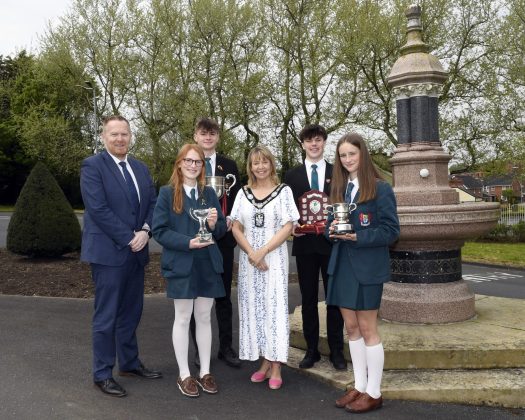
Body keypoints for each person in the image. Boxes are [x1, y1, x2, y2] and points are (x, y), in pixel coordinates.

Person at [80, 115, 162, 398]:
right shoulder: (93, 167)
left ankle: (128, 364)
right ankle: (102, 373)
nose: (119, 139)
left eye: (124, 134)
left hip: (136, 252)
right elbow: (98, 209)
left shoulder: (140, 168)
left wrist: (146, 231)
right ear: (104, 137)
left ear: (130, 136)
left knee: (131, 312)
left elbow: (153, 202)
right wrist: (130, 237)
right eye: (113, 134)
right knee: (106, 316)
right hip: (108, 254)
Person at [325, 133, 399, 413]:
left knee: (368, 330)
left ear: (362, 155)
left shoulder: (381, 188)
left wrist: (358, 236)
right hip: (342, 265)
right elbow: (331, 225)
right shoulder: (341, 190)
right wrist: (331, 231)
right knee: (352, 329)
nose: (347, 160)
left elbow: (392, 232)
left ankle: (374, 392)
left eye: (351, 154)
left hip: (368, 268)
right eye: (343, 156)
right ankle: (359, 385)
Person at [152, 144, 227, 398]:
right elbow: (159, 230)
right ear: (180, 163)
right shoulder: (166, 193)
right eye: (189, 161)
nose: (193, 165)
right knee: (183, 318)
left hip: (207, 262)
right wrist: (187, 242)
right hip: (182, 263)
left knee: (205, 317)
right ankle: (185, 374)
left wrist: (216, 225)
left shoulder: (208, 193)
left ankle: (205, 371)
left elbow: (221, 229)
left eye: (198, 162)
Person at [230, 145, 299, 390]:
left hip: (273, 259)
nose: (260, 166)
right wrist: (251, 252)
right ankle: (264, 362)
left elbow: (288, 226)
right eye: (255, 163)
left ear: (271, 164)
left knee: (274, 309)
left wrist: (263, 251)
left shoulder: (283, 191)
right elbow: (236, 226)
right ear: (250, 167)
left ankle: (277, 364)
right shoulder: (243, 192)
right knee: (253, 308)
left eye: (264, 162)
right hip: (249, 261)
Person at [283, 124, 346, 371]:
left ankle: (336, 351)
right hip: (305, 243)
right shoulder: (292, 175)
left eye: (318, 140)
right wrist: (291, 226)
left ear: (324, 142)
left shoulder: (337, 171)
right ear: (303, 144)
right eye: (309, 141)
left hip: (332, 243)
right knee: (308, 299)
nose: (314, 144)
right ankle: (311, 351)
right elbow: (287, 209)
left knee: (334, 298)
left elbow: (342, 203)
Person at [190, 117, 242, 368]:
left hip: (222, 239)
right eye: (203, 133)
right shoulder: (189, 163)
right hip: (195, 238)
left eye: (212, 133)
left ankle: (226, 347)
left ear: (218, 137)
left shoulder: (229, 165)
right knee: (196, 295)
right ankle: (199, 350)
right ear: (196, 136)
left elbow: (239, 199)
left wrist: (231, 217)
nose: (208, 137)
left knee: (223, 295)